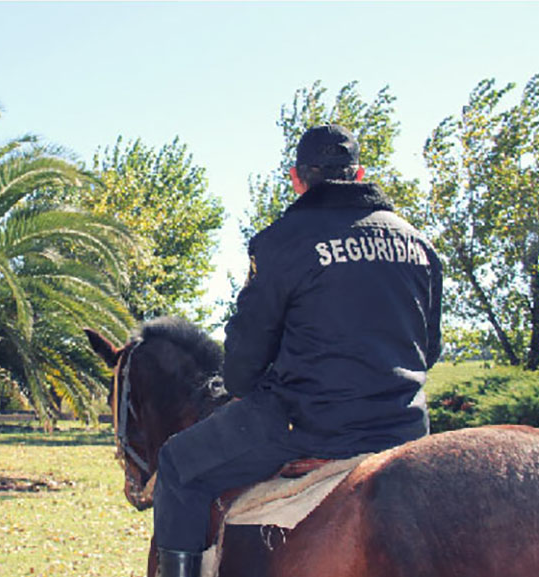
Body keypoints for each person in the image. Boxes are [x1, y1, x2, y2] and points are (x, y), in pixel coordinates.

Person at [152, 124, 443, 577]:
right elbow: (430, 349)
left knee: (177, 466)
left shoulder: (281, 241)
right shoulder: (417, 242)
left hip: (310, 426)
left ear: (297, 178)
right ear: (359, 172)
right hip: (403, 425)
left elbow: (243, 371)